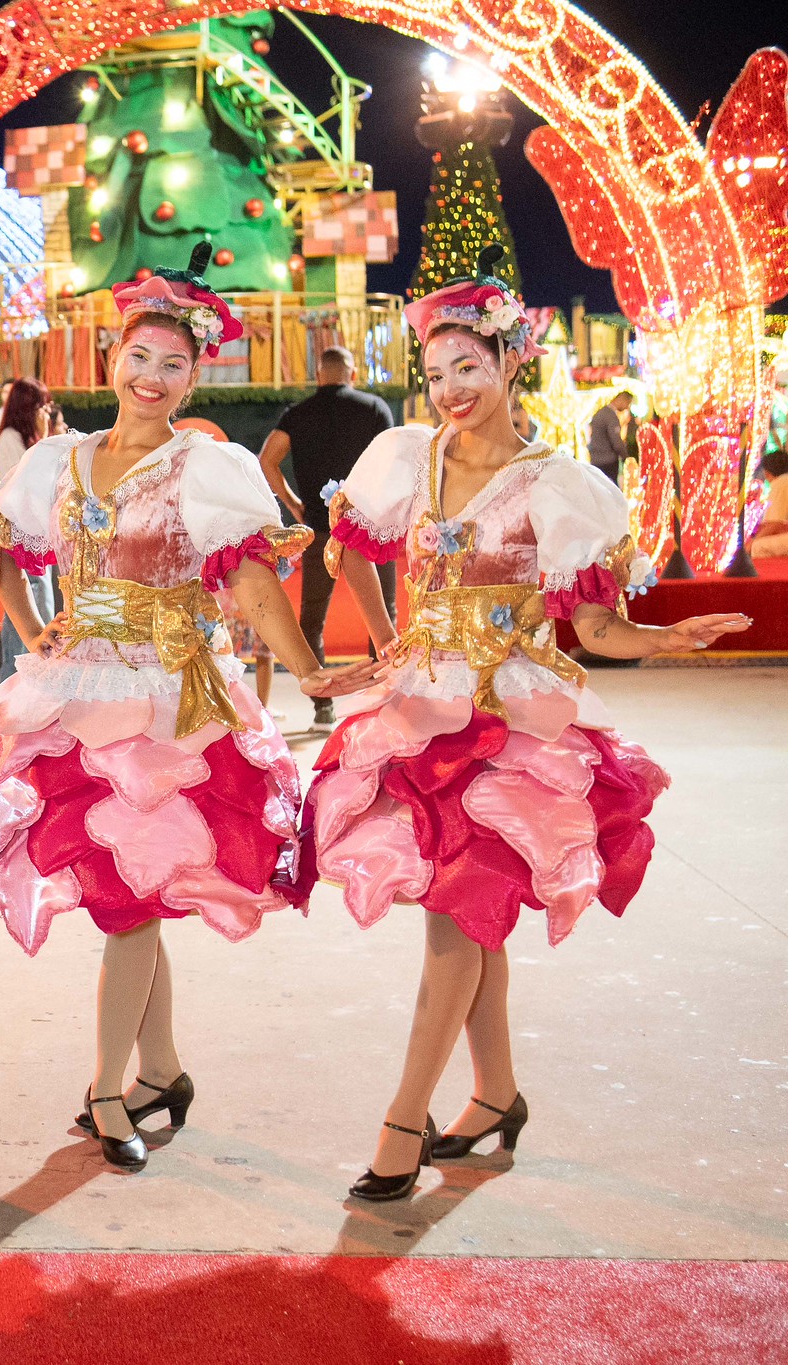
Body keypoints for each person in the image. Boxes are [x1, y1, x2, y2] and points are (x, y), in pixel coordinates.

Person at [304, 248, 749, 1202]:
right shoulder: (404, 459)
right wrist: (387, 643)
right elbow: (352, 554)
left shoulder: (557, 482)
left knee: (456, 923)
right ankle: (496, 1096)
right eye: (433, 374)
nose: (450, 390)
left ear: (510, 362)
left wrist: (665, 639)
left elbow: (590, 626)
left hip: (510, 721)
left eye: (468, 367)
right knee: (466, 915)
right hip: (420, 711)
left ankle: (402, 1123)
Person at [0, 245, 379, 1171]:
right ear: (111, 361)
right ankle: (160, 1068)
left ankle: (105, 1090)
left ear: (193, 375)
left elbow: (250, 583)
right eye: (140, 358)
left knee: (133, 897)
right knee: (130, 891)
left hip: (169, 703)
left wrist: (306, 667)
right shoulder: (56, 460)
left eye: (174, 365)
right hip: (73, 695)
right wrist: (32, 628)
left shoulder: (205, 468)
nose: (153, 378)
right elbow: (1, 548)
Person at [256, 346, 397, 730]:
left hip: (320, 527)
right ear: (350, 372)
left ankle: (323, 710)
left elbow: (267, 459)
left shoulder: (297, 414)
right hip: (370, 528)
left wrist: (295, 505)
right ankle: (382, 703)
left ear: (319, 374)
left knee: (312, 620)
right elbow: (392, 462)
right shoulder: (373, 409)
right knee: (382, 615)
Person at [0, 376, 52, 683]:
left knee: (42, 607)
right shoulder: (10, 438)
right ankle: (12, 680)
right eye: (42, 405)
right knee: (25, 612)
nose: (46, 411)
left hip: (41, 530)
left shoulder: (29, 436)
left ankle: (36, 677)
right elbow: (24, 486)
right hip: (21, 533)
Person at [586, 389, 632, 477]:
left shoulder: (600, 412)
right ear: (622, 400)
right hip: (608, 462)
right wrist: (626, 457)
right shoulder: (611, 416)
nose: (627, 407)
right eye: (628, 403)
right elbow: (616, 442)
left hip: (596, 460)